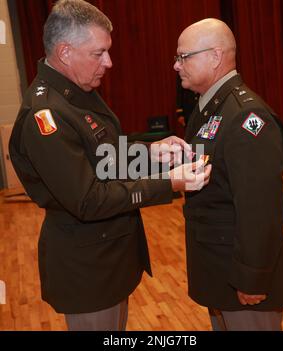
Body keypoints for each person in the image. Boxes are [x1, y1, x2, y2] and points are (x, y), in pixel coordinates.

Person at [9, 0, 211, 331]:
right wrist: (169, 182)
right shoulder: (46, 115)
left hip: (107, 258)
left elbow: (101, 155)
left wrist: (151, 152)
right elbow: (88, 198)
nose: (109, 62)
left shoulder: (75, 91)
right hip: (88, 270)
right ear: (65, 52)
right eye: (99, 53)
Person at [174, 18, 283, 331]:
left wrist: (252, 277)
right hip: (221, 271)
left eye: (183, 57)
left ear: (215, 57)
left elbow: (260, 208)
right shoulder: (211, 109)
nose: (177, 65)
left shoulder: (245, 116)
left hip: (245, 285)